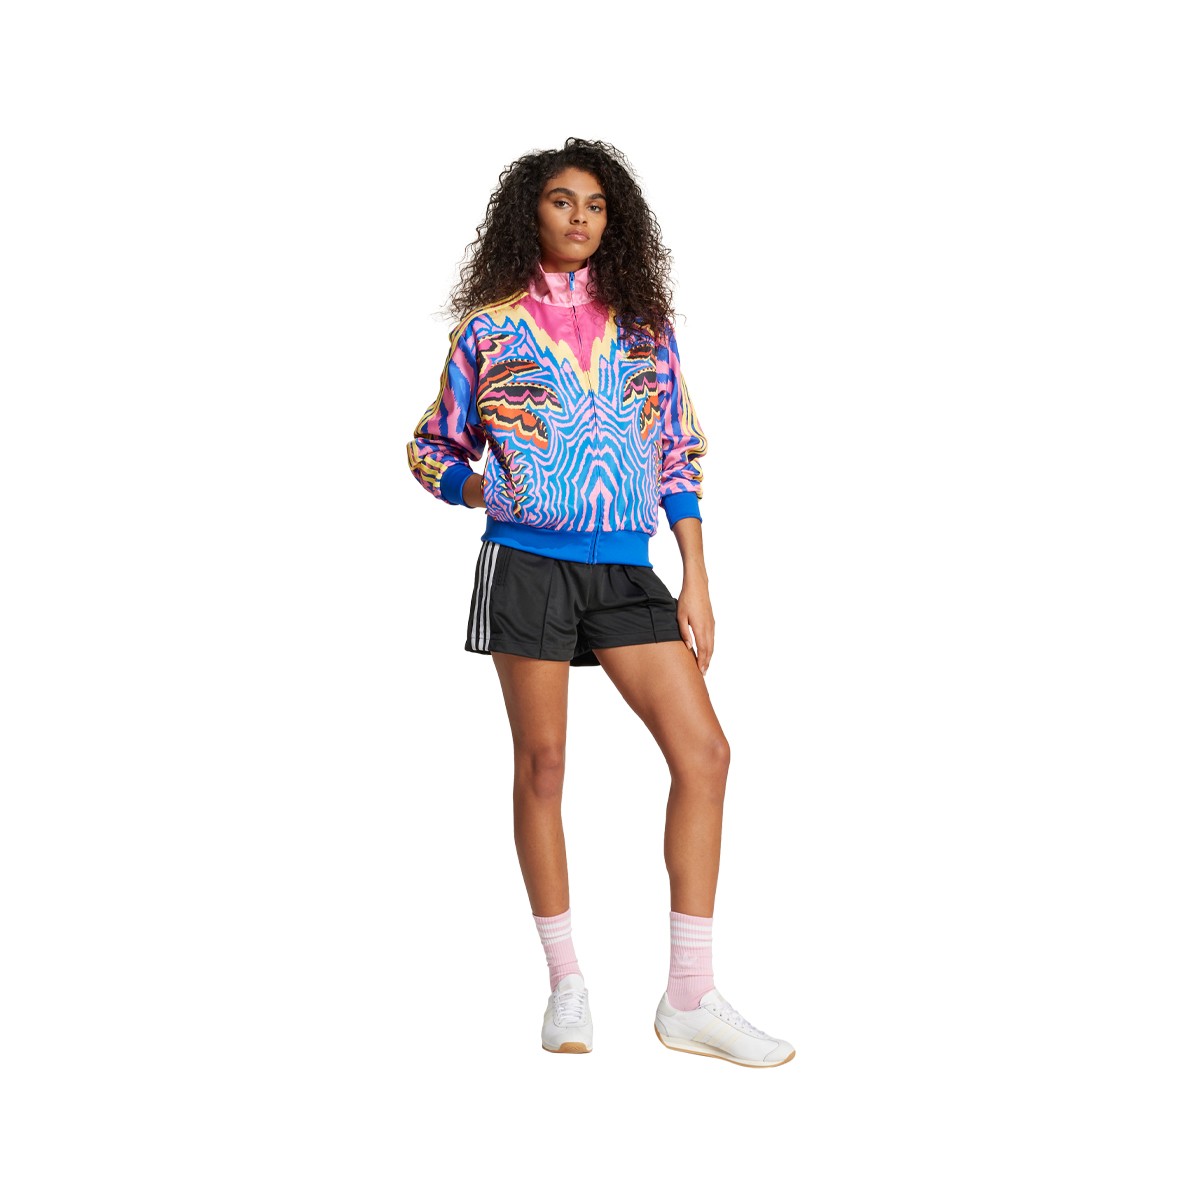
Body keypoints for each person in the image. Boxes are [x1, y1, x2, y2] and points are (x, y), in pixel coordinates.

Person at [407, 137, 794, 1068]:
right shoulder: (489, 331)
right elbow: (430, 446)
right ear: (530, 214)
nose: (579, 218)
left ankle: (690, 995)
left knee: (705, 753)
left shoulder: (644, 327)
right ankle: (566, 982)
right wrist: (480, 490)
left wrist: (695, 574)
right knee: (543, 765)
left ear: (614, 222)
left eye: (596, 205)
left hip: (627, 568)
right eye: (560, 201)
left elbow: (677, 454)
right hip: (527, 564)